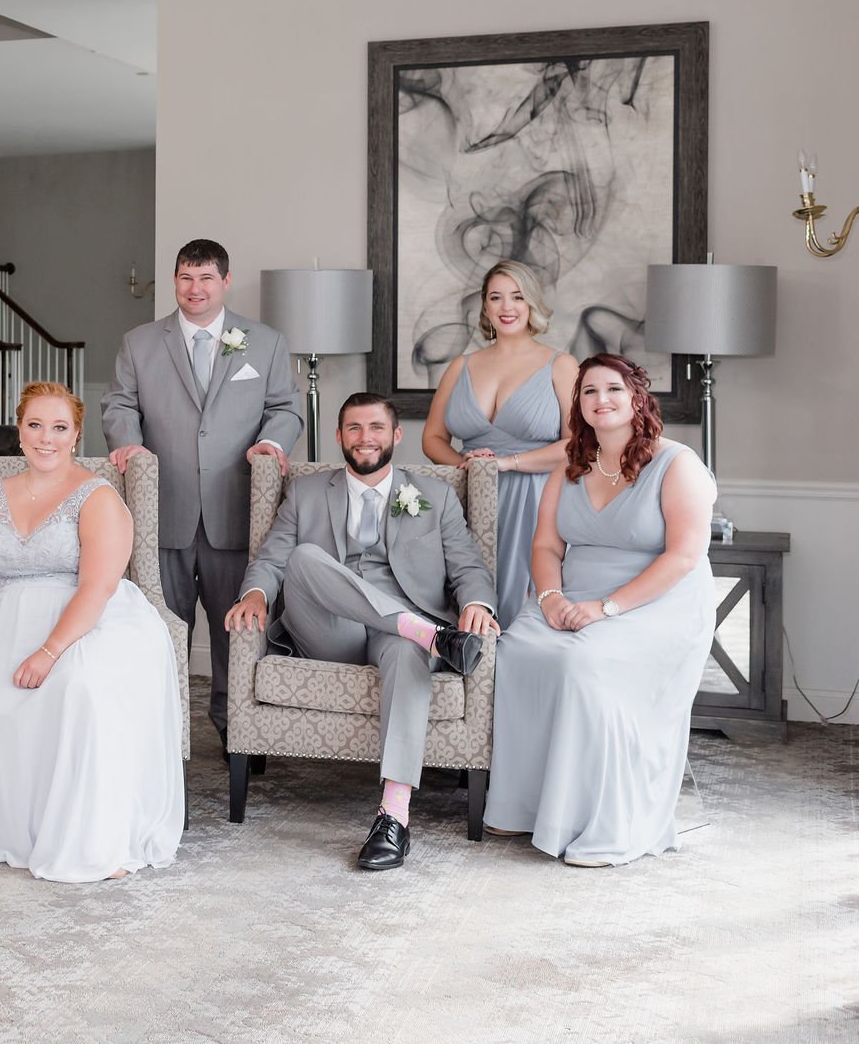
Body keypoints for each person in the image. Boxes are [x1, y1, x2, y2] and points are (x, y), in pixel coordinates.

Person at [228, 393, 495, 870]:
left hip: (396, 637)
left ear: (396, 435)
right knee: (304, 557)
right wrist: (255, 595)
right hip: (331, 632)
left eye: (375, 427)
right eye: (353, 428)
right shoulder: (307, 491)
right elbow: (270, 558)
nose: (364, 438)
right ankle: (429, 633)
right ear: (338, 436)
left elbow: (467, 566)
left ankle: (393, 817)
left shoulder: (435, 495)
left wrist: (476, 604)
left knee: (408, 650)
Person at [0, 383, 186, 882]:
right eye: (35, 426)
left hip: (91, 621)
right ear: (19, 431)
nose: (46, 438)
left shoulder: (98, 497)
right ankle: (17, 829)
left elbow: (97, 587)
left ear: (76, 436)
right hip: (6, 622)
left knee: (78, 689)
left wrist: (49, 652)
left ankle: (94, 837)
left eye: (59, 428)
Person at [486, 354, 718, 867]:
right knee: (517, 651)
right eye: (589, 391)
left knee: (582, 662)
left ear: (637, 397)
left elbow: (683, 557)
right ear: (579, 404)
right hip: (570, 597)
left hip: (656, 602)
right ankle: (524, 807)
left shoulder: (678, 464)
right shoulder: (570, 466)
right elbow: (545, 547)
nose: (601, 400)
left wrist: (606, 608)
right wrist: (550, 600)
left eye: (613, 389)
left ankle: (603, 823)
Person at [102, 238, 301, 747]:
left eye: (206, 278)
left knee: (234, 632)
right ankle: (159, 735)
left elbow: (285, 410)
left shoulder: (266, 342)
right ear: (175, 281)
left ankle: (237, 732)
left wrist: (270, 443)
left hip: (234, 509)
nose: (196, 289)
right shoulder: (139, 342)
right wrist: (128, 446)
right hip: (161, 509)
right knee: (160, 627)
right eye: (186, 278)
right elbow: (119, 405)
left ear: (225, 281)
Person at [423, 260, 578, 626]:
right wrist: (466, 464)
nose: (507, 307)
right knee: (462, 598)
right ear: (485, 306)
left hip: (534, 500)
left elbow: (578, 444)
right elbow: (432, 438)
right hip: (467, 498)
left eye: (517, 297)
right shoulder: (461, 366)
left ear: (532, 305)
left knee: (520, 613)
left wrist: (509, 463)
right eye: (496, 297)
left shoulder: (561, 364)